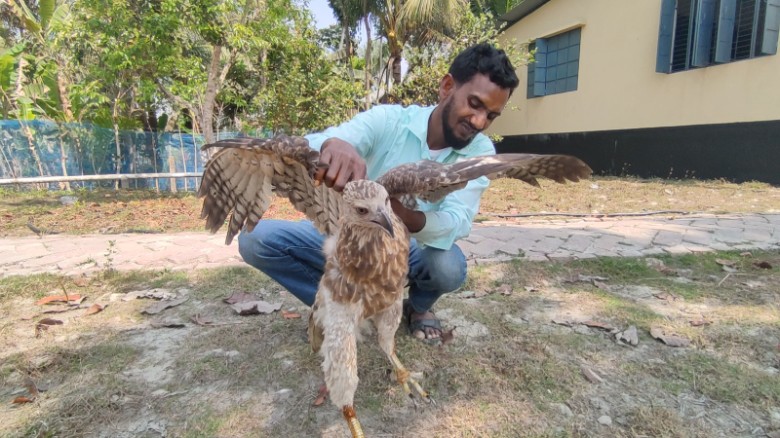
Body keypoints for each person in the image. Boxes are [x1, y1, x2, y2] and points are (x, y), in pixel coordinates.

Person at [238, 42, 519, 343]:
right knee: (256, 239)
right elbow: (329, 139)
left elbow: (457, 221)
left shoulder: (480, 152)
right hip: (349, 237)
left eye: (491, 116)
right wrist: (334, 145)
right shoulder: (389, 120)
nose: (479, 121)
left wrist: (401, 216)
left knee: (448, 267)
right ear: (447, 87)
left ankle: (418, 307)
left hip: (409, 248)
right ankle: (341, 306)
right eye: (474, 104)